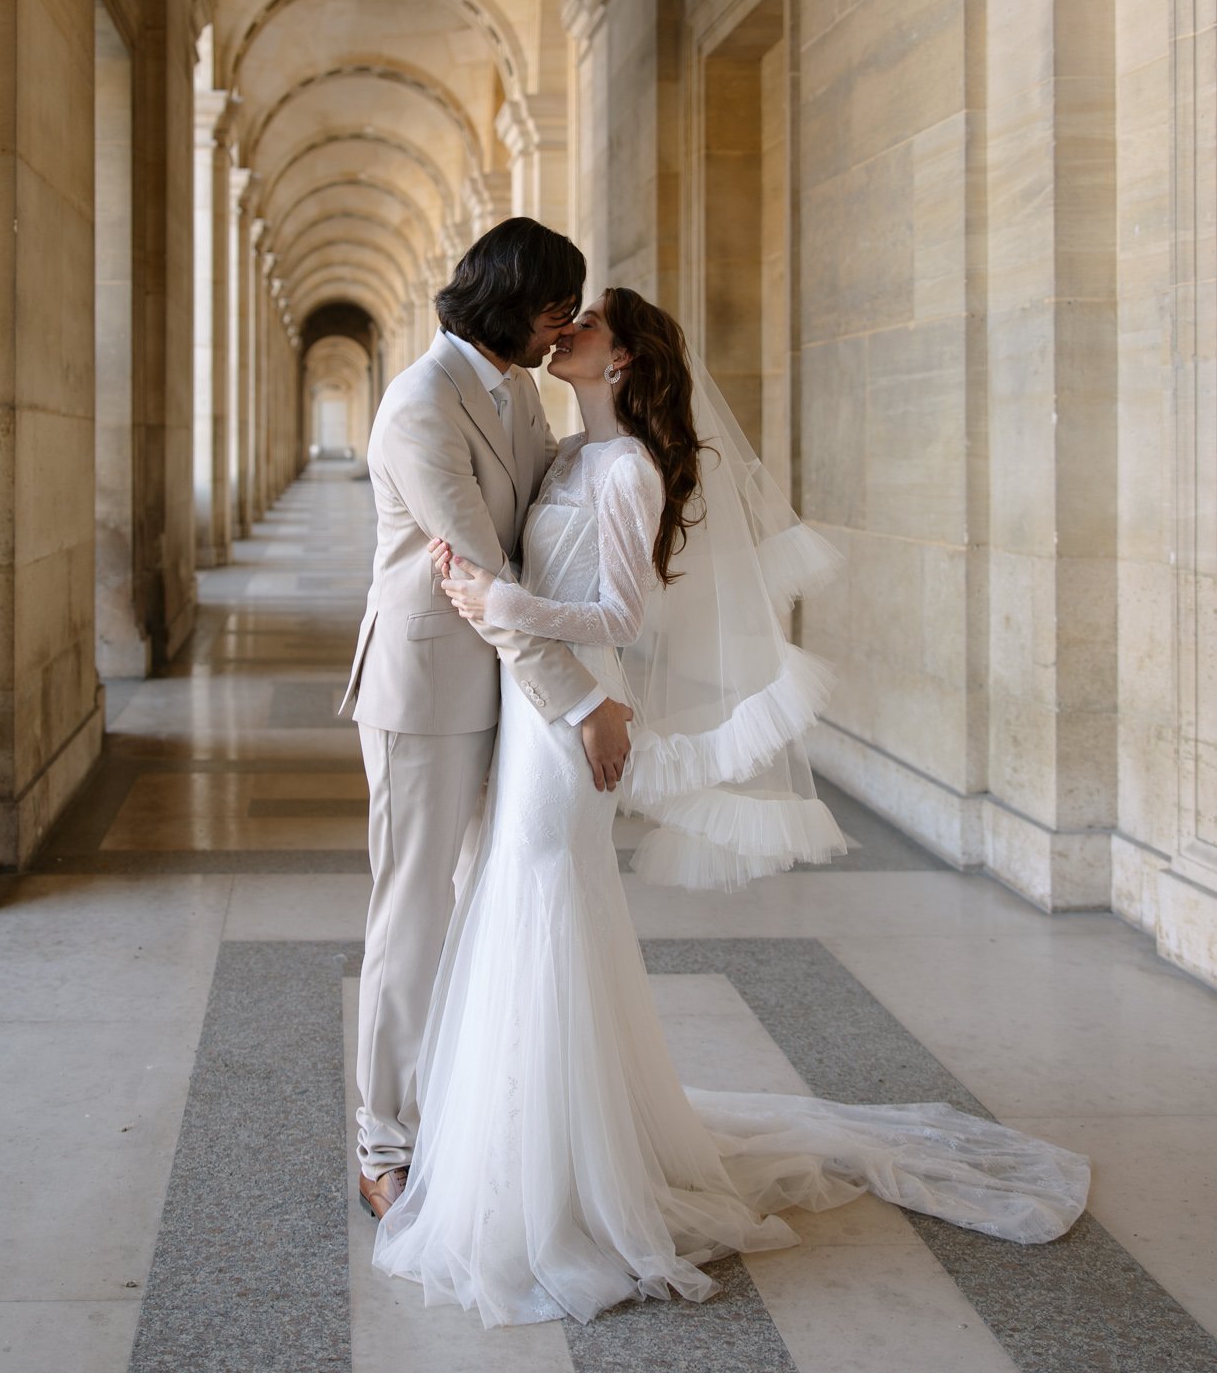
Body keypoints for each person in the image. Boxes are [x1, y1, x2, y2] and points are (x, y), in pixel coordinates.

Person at [372, 287, 1091, 1326]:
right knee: (519, 900)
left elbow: (624, 613)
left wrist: (504, 605)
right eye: (562, 319)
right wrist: (481, 588)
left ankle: (557, 1187)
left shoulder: (624, 470)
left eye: (588, 324)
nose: (562, 330)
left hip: (571, 720)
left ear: (619, 361)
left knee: (541, 899)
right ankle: (529, 1148)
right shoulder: (570, 455)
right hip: (534, 709)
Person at [341, 220, 636, 1221]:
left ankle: (468, 1116)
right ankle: (381, 1135)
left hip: (508, 682)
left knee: (488, 900)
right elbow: (485, 573)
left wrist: (591, 387)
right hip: (426, 691)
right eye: (558, 308)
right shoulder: (419, 406)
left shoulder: (513, 384)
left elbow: (561, 498)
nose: (565, 327)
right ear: (512, 303)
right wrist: (586, 702)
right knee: (413, 910)